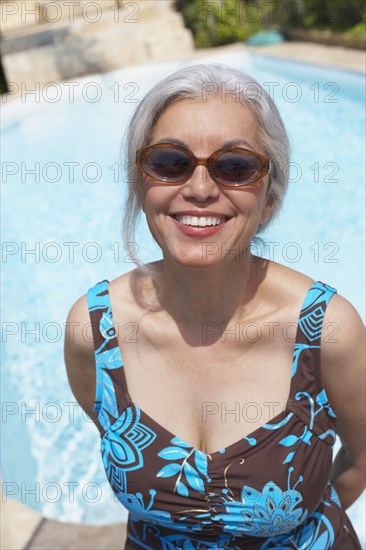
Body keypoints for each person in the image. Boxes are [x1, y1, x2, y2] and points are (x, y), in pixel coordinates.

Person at [64, 64, 365, 549]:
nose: (201, 188)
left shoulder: (328, 330)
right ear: (142, 185)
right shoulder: (97, 332)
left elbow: (359, 465)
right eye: (169, 161)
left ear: (269, 197)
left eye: (235, 167)